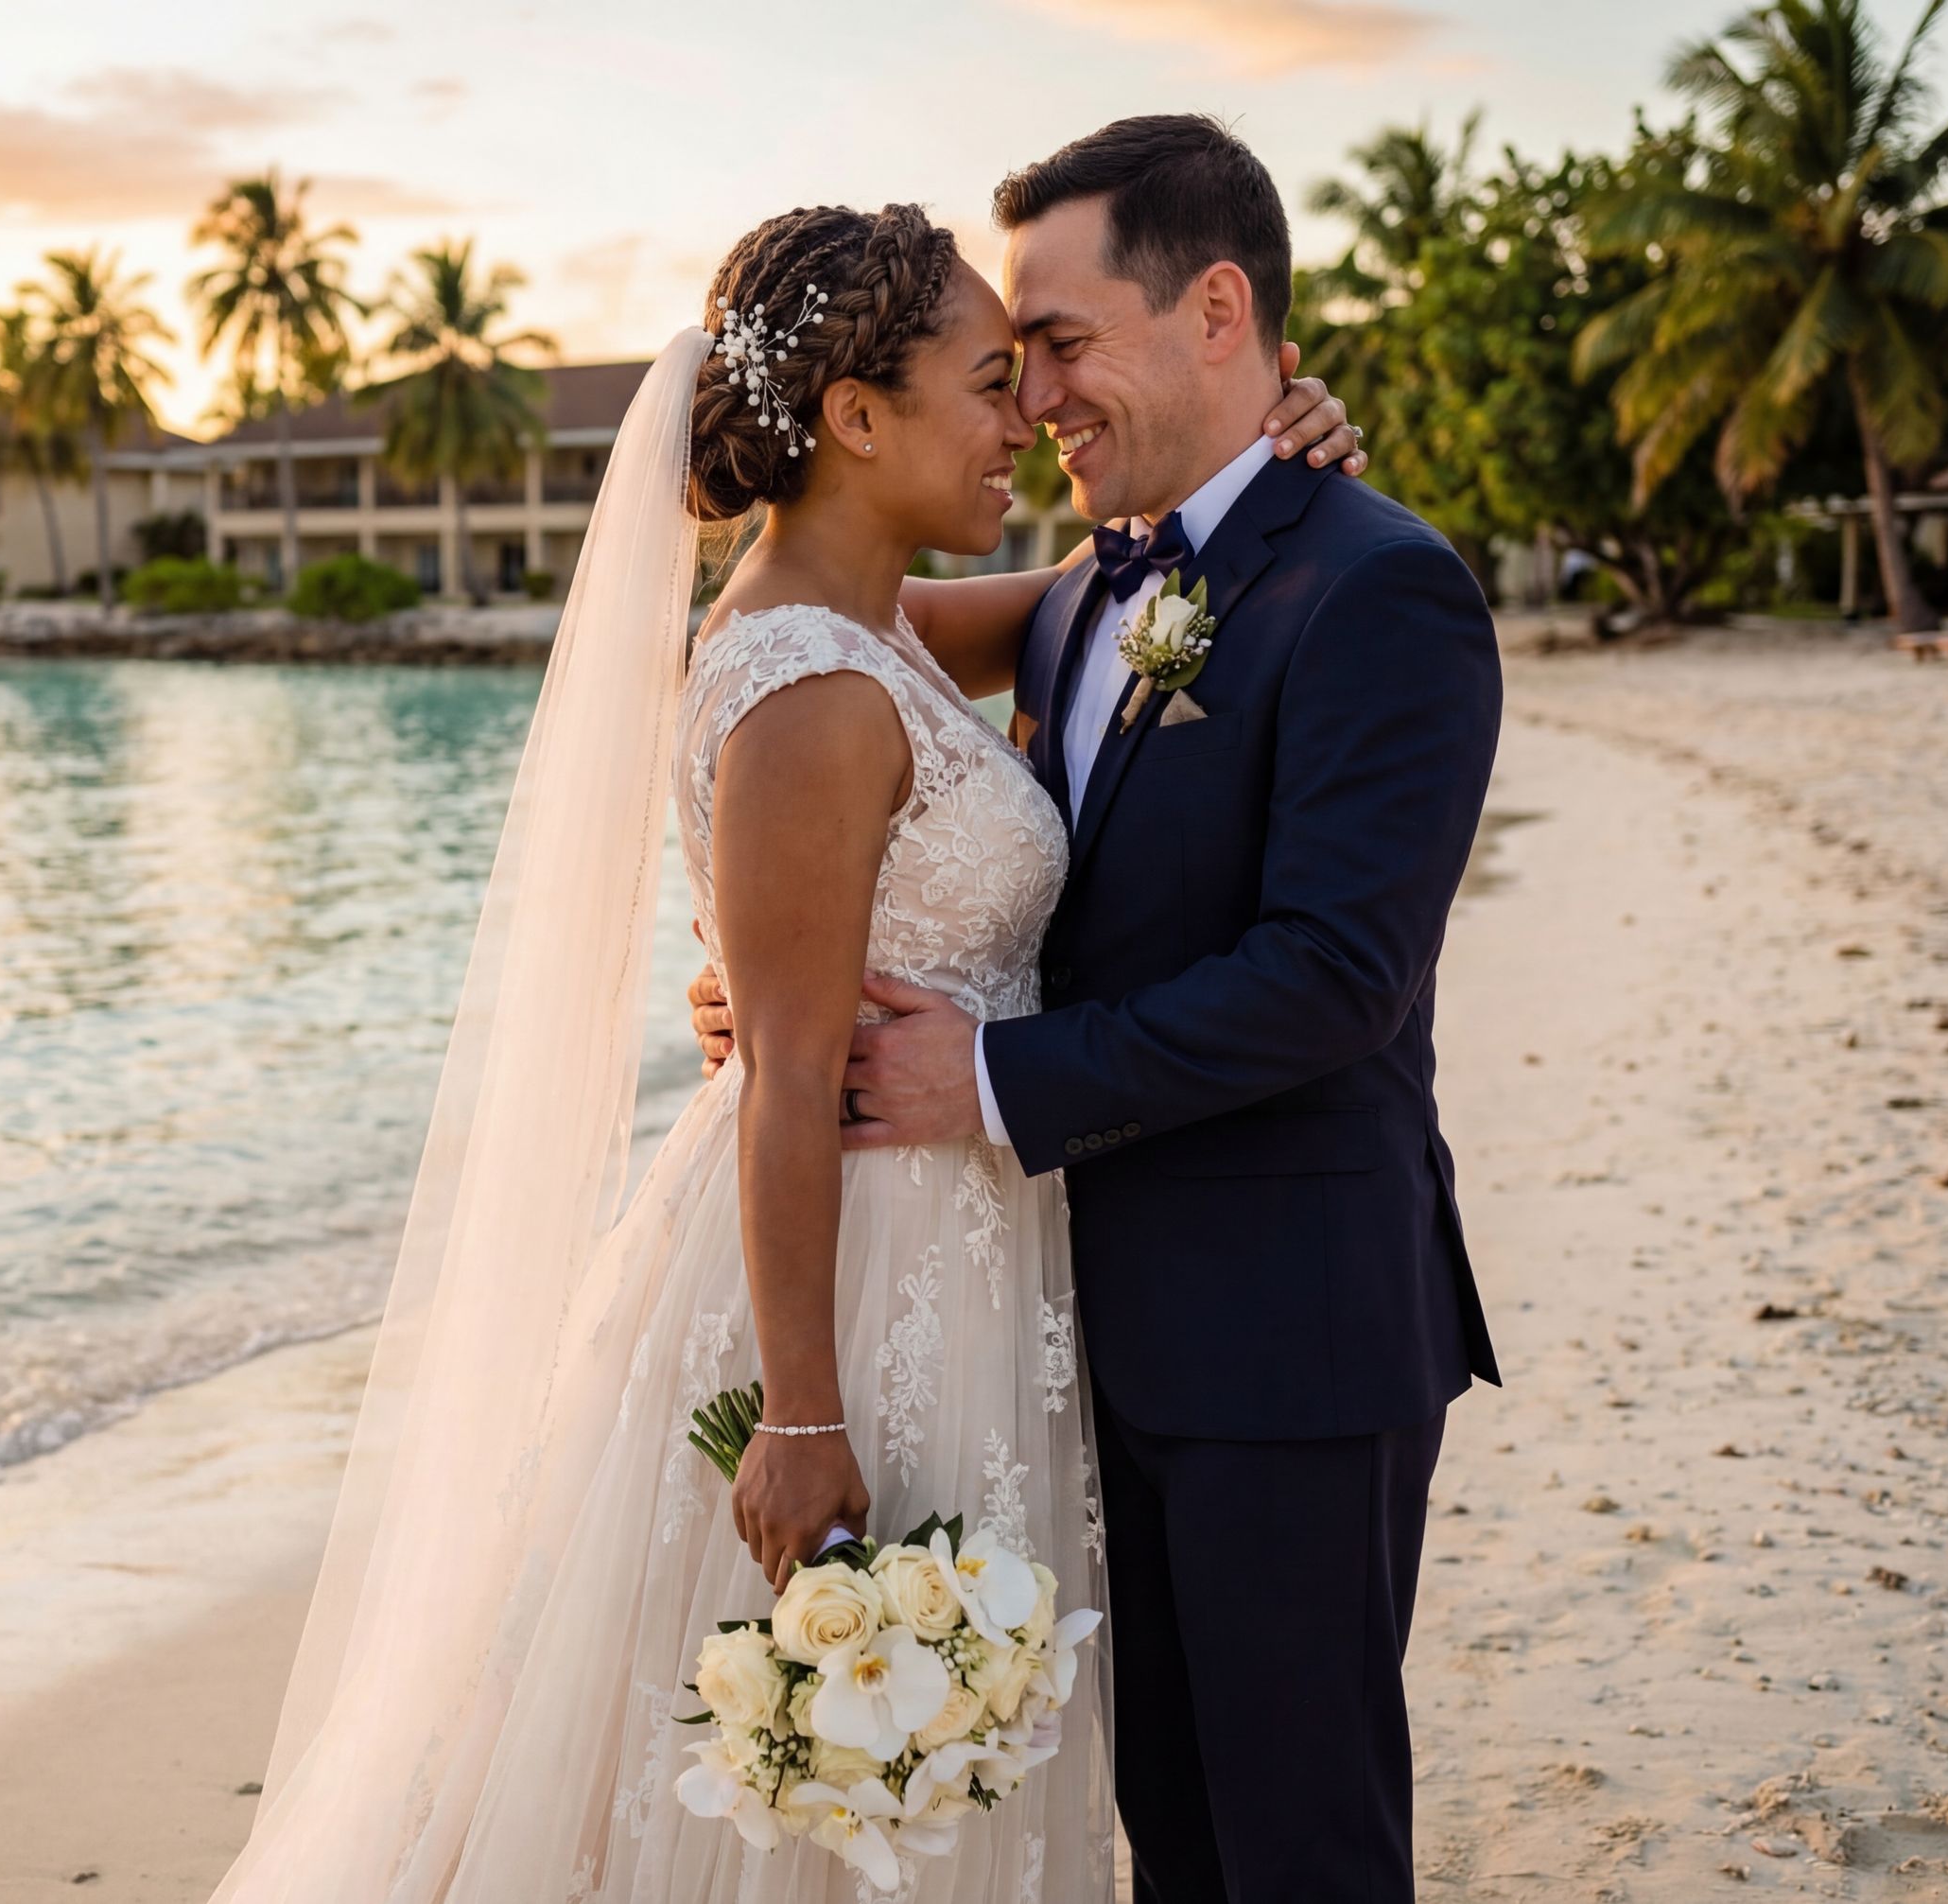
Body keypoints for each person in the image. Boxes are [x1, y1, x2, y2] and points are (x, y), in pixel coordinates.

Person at [212, 188, 1362, 1900]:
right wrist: (807, 1413)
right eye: (990, 381)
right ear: (854, 414)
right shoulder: (815, 688)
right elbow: (783, 1087)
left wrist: (1271, 459)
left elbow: (1103, 598)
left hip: (955, 1238)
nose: (1025, 416)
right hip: (861, 1270)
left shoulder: (869, 625)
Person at [695, 116, 1502, 1902]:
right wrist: (776, 995)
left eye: (1058, 345)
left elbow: (1334, 980)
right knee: (1170, 1837)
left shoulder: (1381, 589)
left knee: (1303, 1843)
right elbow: (831, 722)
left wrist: (973, 1073)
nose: (1036, 395)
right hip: (1071, 1329)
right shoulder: (1082, 599)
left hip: (1289, 1335)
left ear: (1219, 311)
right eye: (1005, 363)